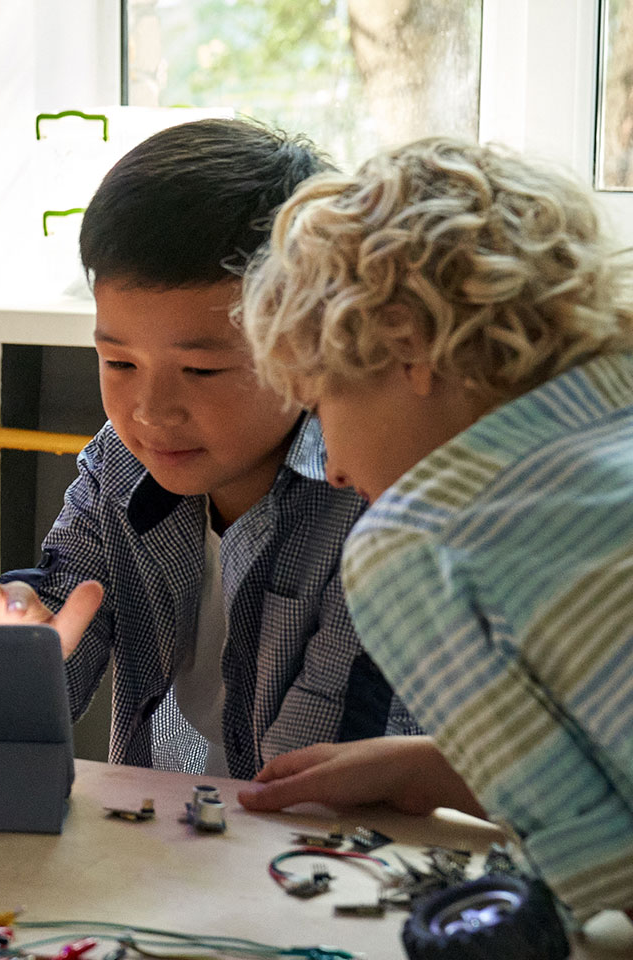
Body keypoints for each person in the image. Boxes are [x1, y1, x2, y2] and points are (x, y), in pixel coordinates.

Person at [0, 119, 419, 779]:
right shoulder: (121, 464)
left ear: (306, 344)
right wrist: (14, 650)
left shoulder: (371, 505)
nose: (150, 411)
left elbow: (311, 797)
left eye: (202, 371)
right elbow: (64, 605)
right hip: (167, 853)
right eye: (118, 362)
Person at [239, 137, 633, 917]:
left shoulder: (419, 544)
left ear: (407, 344)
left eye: (323, 405)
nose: (337, 469)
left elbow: (608, 879)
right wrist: (430, 767)